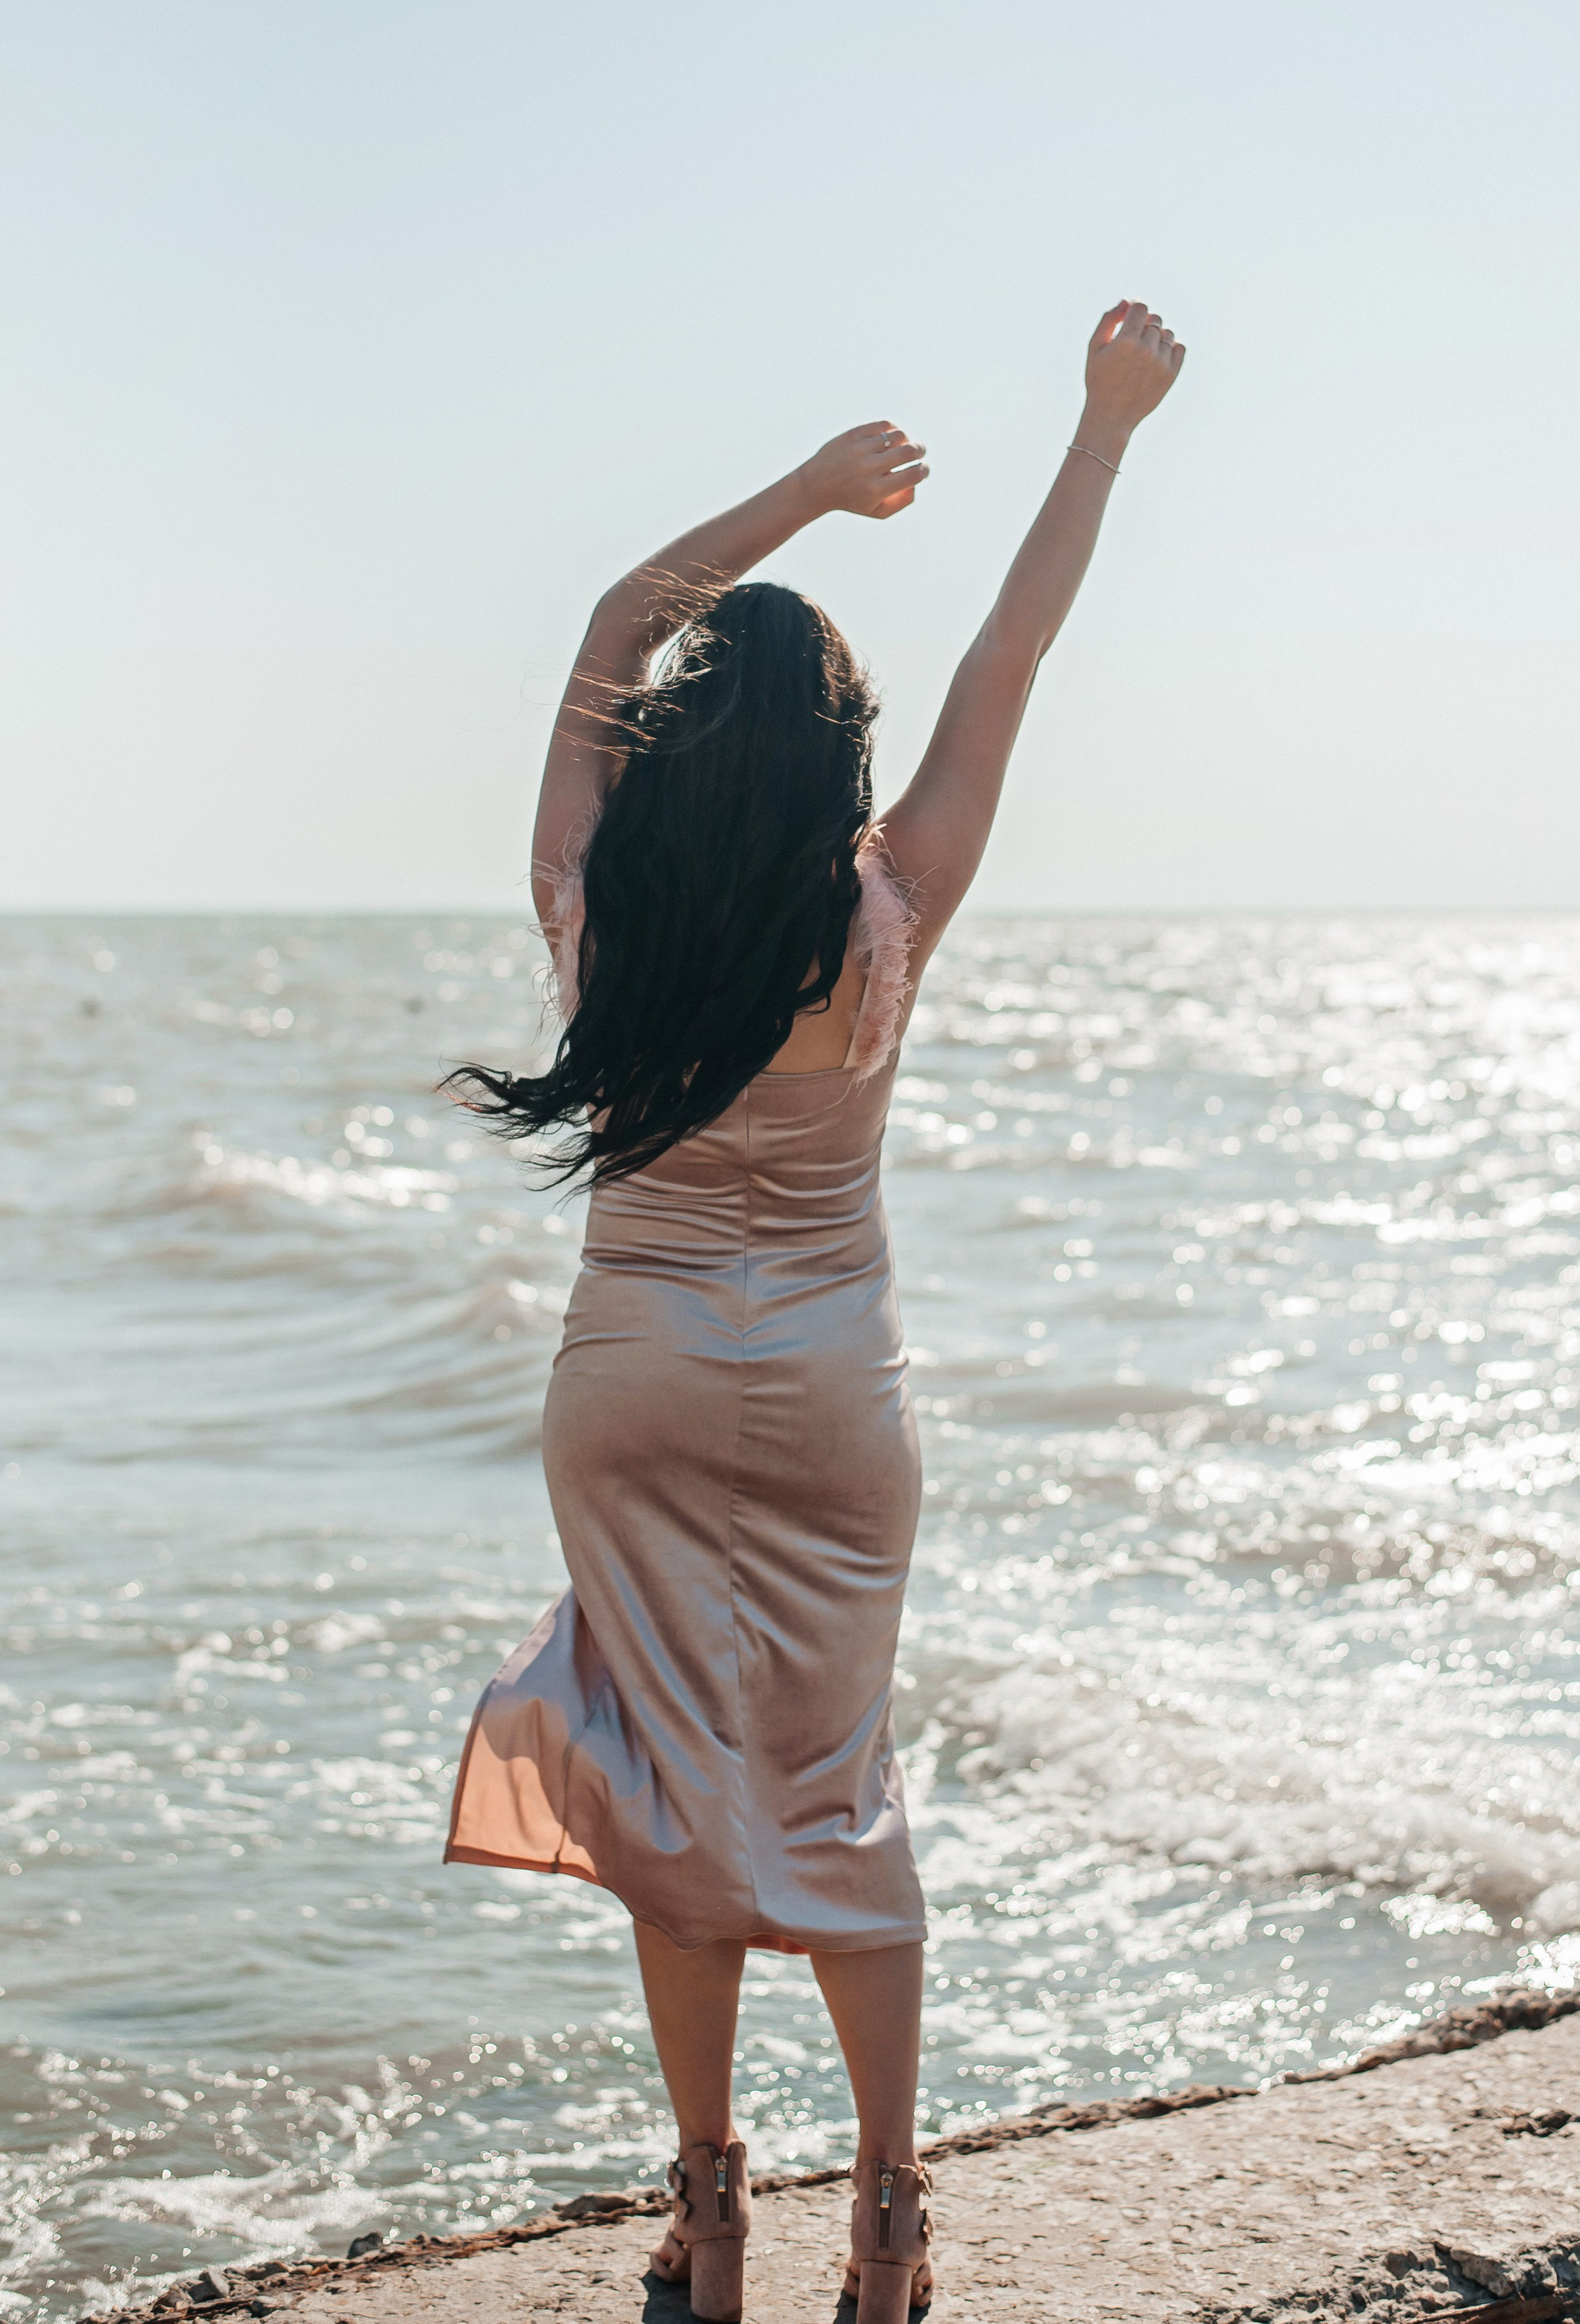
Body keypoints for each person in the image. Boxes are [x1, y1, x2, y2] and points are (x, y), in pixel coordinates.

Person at [443, 300, 1186, 2320]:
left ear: (677, 738)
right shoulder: (887, 906)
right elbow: (1012, 659)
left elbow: (616, 611)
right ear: (842, 756)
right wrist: (1104, 430)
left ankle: (705, 2213)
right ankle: (889, 2218)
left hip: (633, 1382)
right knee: (830, 1783)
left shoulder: (592, 891)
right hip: (842, 1391)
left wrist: (810, 498)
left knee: (670, 1789)